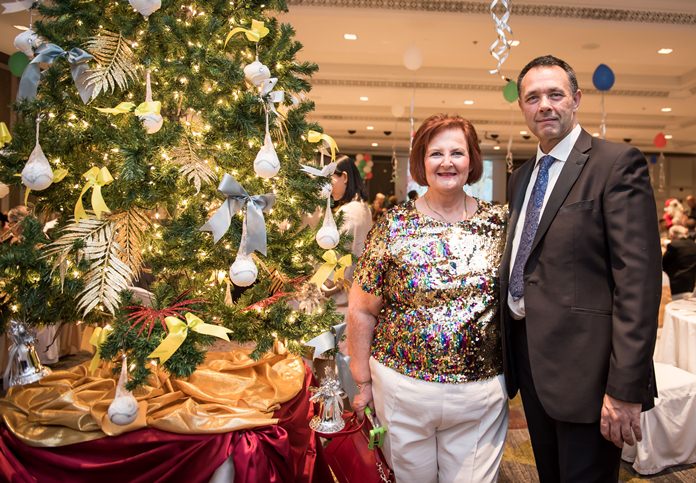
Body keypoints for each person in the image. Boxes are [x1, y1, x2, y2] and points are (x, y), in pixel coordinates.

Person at [500, 55, 661, 482]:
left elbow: (638, 283)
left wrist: (625, 388)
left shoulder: (615, 164)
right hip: (531, 360)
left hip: (589, 372)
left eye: (555, 94)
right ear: (522, 106)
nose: (544, 105)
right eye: (532, 97)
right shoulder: (521, 178)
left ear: (577, 99)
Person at [348, 114, 508, 482]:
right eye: (436, 153)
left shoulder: (501, 223)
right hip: (402, 389)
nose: (447, 162)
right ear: (421, 162)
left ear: (472, 160)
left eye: (457, 153)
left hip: (480, 393)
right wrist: (363, 383)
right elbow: (362, 309)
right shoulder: (393, 225)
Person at [330, 155, 373, 258]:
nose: (329, 187)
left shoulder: (348, 211)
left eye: (330, 180)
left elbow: (338, 252)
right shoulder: (363, 207)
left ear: (344, 177)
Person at [662, 225, 696, 300]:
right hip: (691, 284)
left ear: (672, 235)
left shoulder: (673, 245)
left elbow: (663, 264)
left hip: (677, 284)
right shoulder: (693, 244)